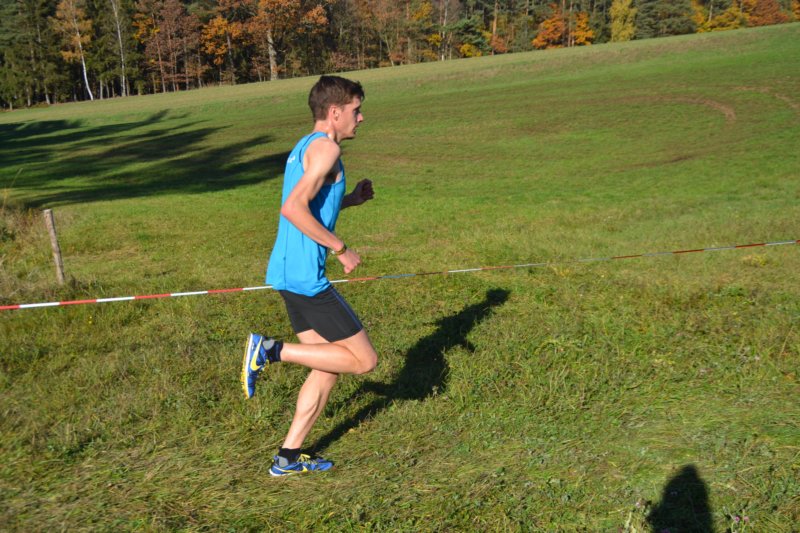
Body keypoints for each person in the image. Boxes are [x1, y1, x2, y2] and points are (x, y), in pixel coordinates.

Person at [241, 75, 378, 477]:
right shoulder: (327, 150)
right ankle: (269, 351)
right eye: (355, 110)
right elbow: (293, 208)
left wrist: (349, 200)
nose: (360, 118)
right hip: (306, 279)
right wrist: (340, 248)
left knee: (328, 366)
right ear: (335, 112)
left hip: (287, 273)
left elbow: (310, 205)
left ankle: (287, 457)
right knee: (364, 361)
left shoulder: (307, 146)